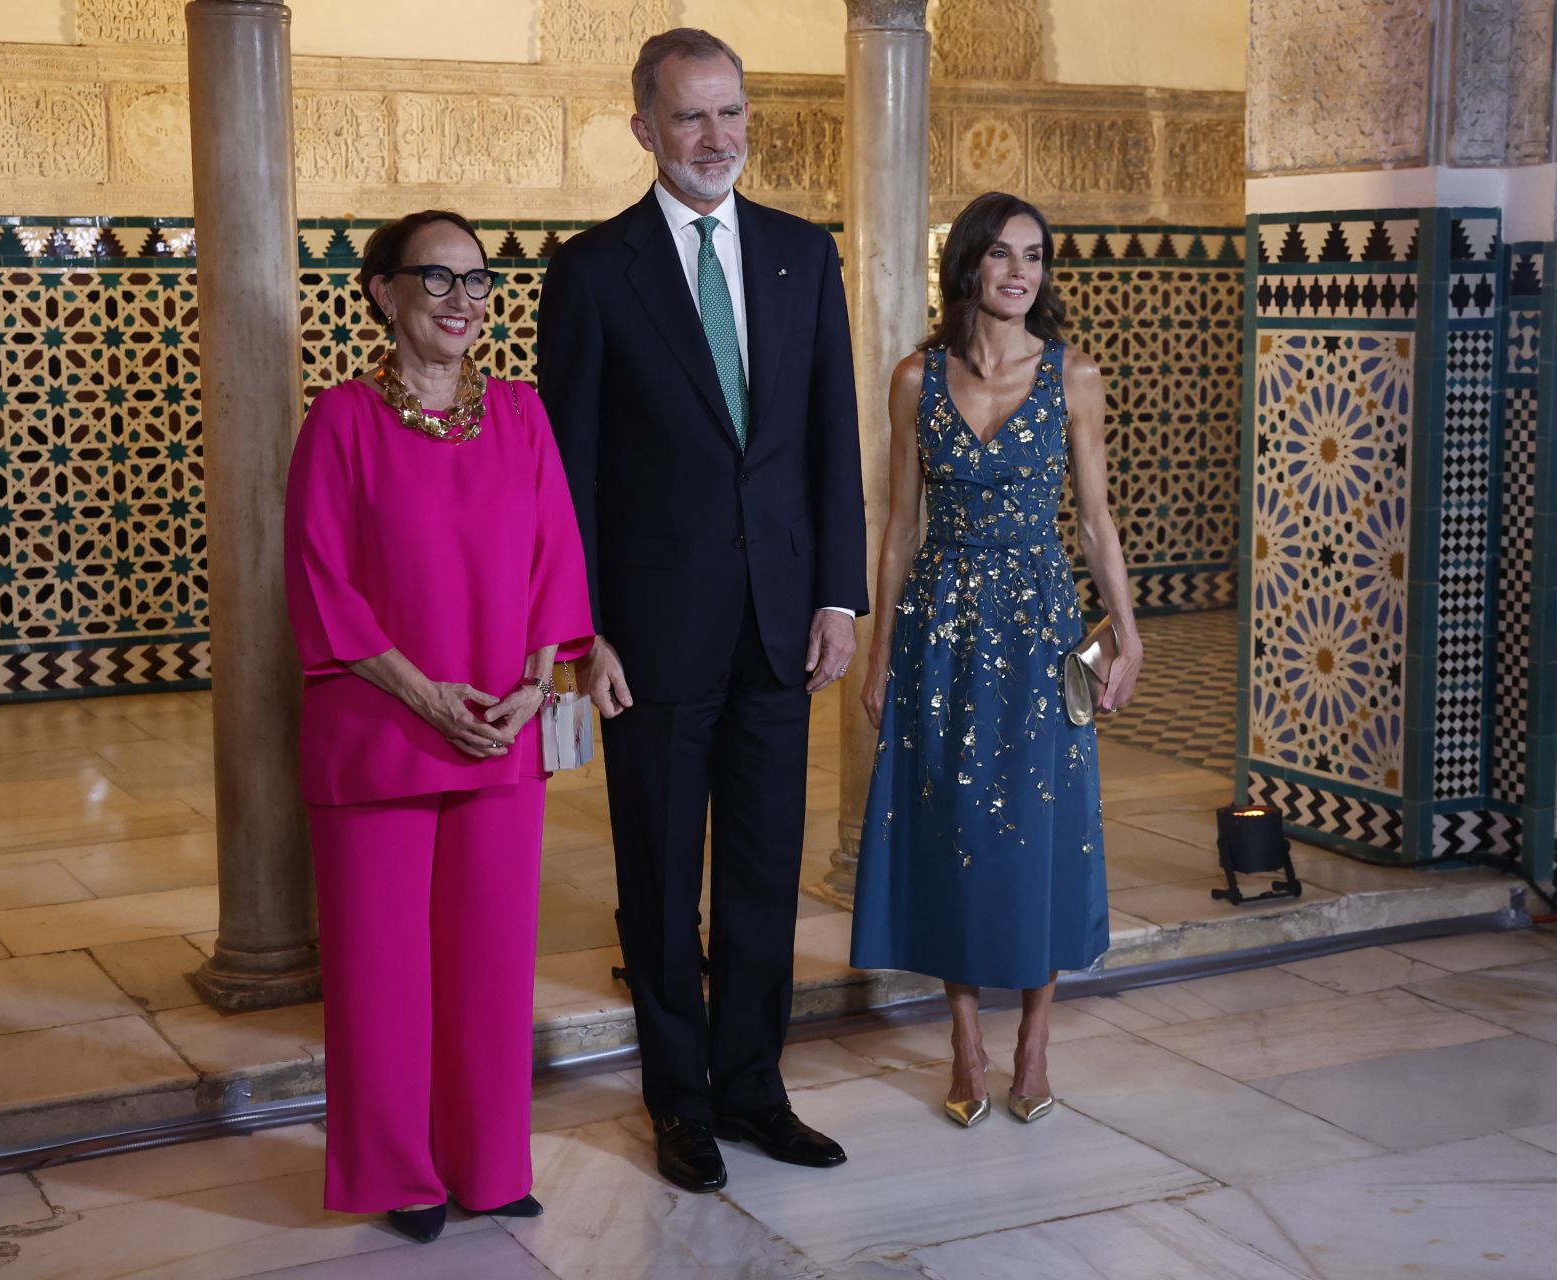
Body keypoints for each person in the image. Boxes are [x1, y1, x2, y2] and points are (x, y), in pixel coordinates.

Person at [536, 28, 867, 1193]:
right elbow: (568, 469)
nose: (716, 137)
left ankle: (755, 1088)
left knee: (766, 873)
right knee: (662, 877)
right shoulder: (592, 271)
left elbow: (831, 438)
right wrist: (581, 630)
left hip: (781, 620)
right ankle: (678, 1099)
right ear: (645, 128)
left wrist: (838, 593)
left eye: (731, 113)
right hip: (652, 634)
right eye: (690, 116)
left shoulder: (800, 253)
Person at [283, 210, 593, 1243]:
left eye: (478, 281)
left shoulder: (520, 413)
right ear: (384, 291)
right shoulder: (340, 421)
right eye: (438, 279)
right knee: (381, 972)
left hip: (500, 729)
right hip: (380, 733)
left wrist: (536, 682)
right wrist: (423, 695)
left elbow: (555, 554)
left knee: (491, 964)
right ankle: (399, 1170)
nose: (464, 302)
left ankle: (490, 1164)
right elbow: (319, 582)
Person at [849, 191, 1143, 1128]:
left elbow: (1094, 523)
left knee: (1044, 825)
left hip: (1044, 628)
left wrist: (1126, 632)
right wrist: (879, 650)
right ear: (969, 264)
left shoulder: (1073, 375)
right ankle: (966, 1039)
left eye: (1035, 256)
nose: (1020, 272)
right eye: (1003, 254)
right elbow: (900, 527)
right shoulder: (915, 379)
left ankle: (1036, 1042)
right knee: (954, 824)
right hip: (939, 626)